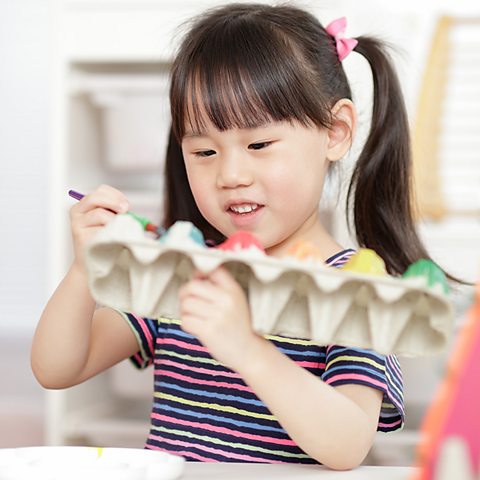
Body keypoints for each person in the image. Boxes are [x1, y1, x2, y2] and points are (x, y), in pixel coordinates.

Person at [32, 2, 433, 469]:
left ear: (336, 131)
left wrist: (245, 346)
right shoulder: (181, 271)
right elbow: (58, 368)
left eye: (259, 144)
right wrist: (85, 269)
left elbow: (346, 446)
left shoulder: (358, 292)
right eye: (204, 151)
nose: (231, 174)